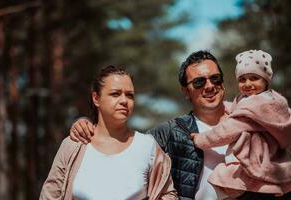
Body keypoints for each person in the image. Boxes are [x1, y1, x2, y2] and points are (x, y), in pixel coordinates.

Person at [70, 50, 230, 199]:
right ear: (186, 91)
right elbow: (122, 149)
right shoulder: (170, 132)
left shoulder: (250, 121)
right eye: (199, 82)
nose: (209, 86)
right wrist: (86, 124)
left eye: (215, 78)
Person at [39, 65, 178, 200]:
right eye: (115, 94)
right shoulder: (73, 146)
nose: (124, 100)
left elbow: (168, 195)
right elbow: (50, 195)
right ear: (96, 98)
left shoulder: (148, 146)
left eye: (130, 95)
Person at [191, 50, 291, 199]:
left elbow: (228, 130)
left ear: (266, 80)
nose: (248, 84)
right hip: (268, 162)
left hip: (256, 160)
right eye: (242, 79)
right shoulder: (260, 100)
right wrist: (222, 105)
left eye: (254, 78)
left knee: (223, 176)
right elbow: (239, 108)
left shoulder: (259, 105)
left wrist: (200, 139)